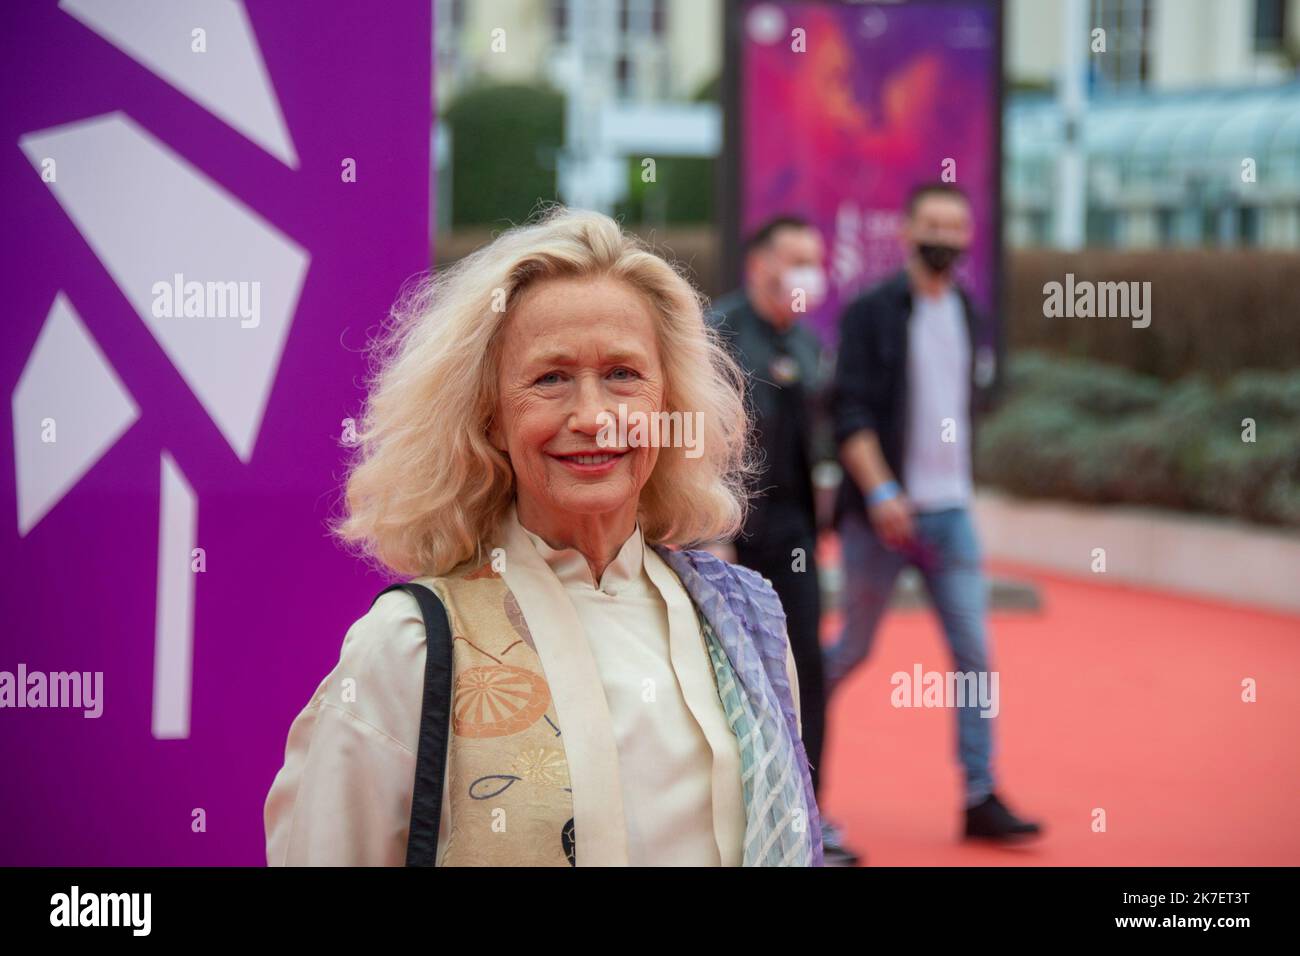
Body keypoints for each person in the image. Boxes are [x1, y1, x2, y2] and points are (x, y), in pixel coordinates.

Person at [264, 206, 823, 866]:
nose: (592, 417)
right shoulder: (408, 650)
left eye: (623, 374)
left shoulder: (746, 627)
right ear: (489, 417)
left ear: (667, 406)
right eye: (550, 378)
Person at [825, 182, 1042, 841]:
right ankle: (788, 769)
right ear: (909, 231)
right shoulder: (872, 312)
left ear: (968, 236)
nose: (943, 235)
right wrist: (884, 492)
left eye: (955, 225)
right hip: (881, 516)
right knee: (849, 650)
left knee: (975, 653)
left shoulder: (970, 313)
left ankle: (979, 795)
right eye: (931, 223)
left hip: (951, 516)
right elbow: (850, 412)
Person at [708, 216, 859, 865]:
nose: (807, 274)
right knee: (735, 680)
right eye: (795, 260)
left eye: (814, 261)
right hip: (731, 536)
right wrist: (710, 536)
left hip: (796, 536)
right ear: (759, 265)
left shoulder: (804, 343)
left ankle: (809, 816)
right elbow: (702, 444)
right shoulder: (718, 336)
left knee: (806, 671)